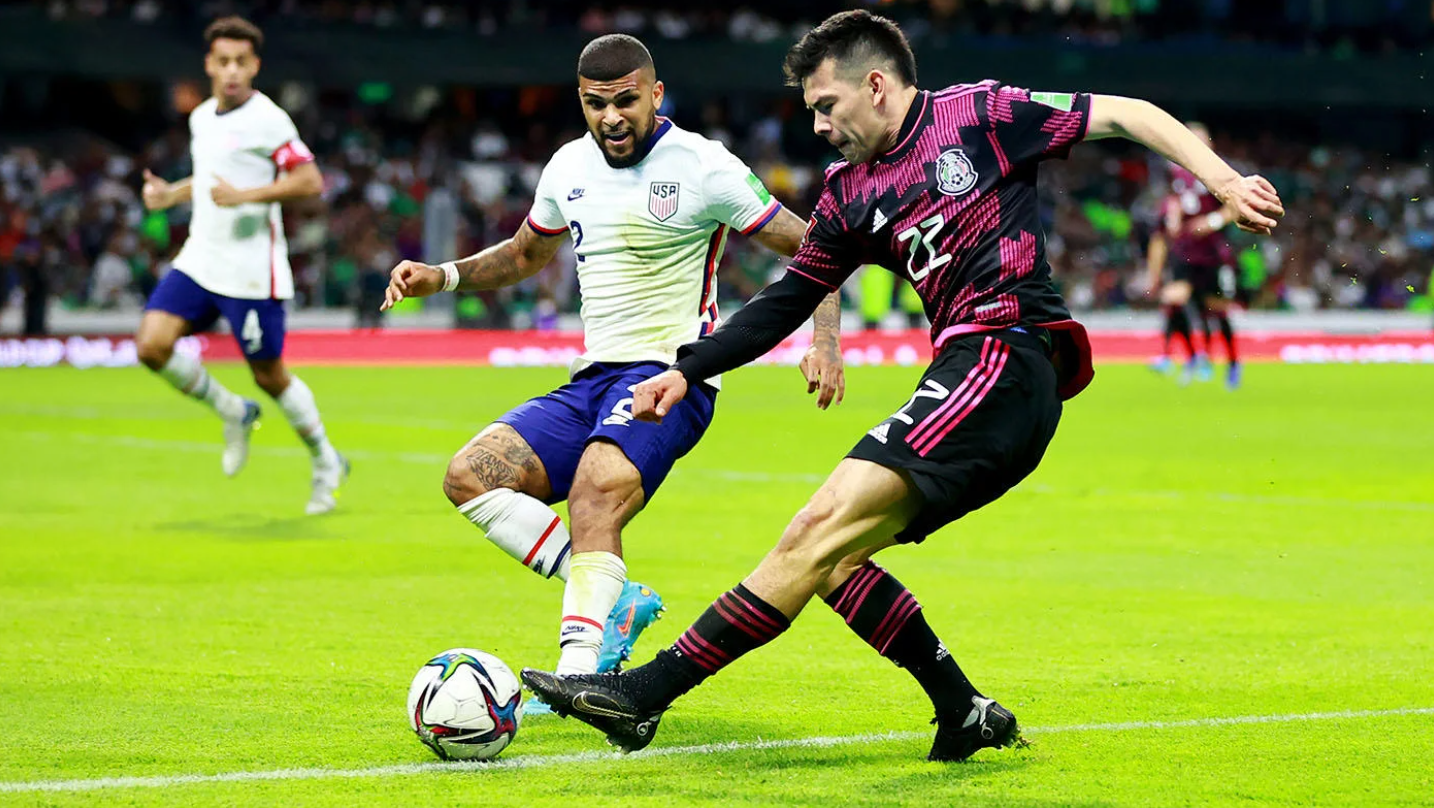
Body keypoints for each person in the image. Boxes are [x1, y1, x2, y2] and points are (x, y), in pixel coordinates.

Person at [522, 10, 1283, 760]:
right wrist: (688, 371)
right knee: (835, 560)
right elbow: (788, 298)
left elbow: (1128, 113)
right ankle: (963, 710)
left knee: (813, 533)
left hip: (1005, 353)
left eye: (827, 106)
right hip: (969, 369)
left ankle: (641, 697)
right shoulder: (849, 190)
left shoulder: (982, 115)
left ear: (877, 86)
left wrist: (1223, 182)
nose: (818, 126)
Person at [380, 34, 845, 697]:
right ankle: (613, 603)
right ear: (581, 102)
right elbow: (523, 256)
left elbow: (813, 247)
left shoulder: (702, 165)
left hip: (670, 376)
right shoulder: (568, 166)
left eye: (627, 101)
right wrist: (443, 275)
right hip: (593, 379)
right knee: (469, 477)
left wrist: (824, 340)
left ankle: (578, 676)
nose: (612, 117)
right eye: (597, 105)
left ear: (655, 95)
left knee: (594, 492)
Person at [136, 16, 347, 514]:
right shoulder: (202, 116)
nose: (231, 71)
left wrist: (246, 196)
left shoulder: (269, 119)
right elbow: (212, 174)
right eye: (223, 61)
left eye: (241, 62)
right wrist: (171, 193)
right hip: (201, 257)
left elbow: (310, 181)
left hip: (252, 272)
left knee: (270, 375)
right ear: (209, 65)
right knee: (151, 345)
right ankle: (232, 411)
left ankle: (325, 460)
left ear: (255, 66)